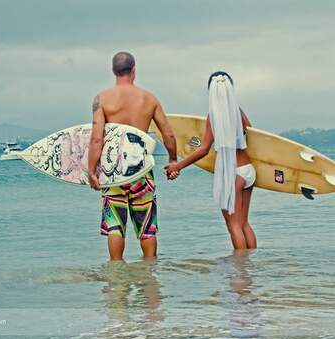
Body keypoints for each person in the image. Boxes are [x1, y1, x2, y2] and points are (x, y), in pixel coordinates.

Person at [88, 51, 177, 261]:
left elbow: (96, 139)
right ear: (134, 70)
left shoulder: (101, 99)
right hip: (141, 171)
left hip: (113, 172)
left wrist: (91, 170)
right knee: (147, 228)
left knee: (115, 227)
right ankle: (150, 279)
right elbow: (168, 134)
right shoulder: (149, 99)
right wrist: (173, 160)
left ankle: (117, 279)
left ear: (113, 71)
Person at [165, 71, 257, 250]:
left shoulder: (214, 116)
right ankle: (249, 266)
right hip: (248, 171)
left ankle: (239, 272)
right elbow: (253, 136)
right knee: (244, 222)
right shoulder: (239, 112)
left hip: (233, 175)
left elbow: (204, 149)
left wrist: (179, 165)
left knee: (234, 225)